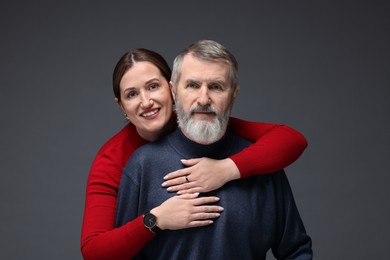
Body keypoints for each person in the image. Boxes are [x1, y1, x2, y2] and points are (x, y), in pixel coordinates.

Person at [81, 46, 308, 259]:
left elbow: (291, 139)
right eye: (131, 94)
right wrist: (156, 219)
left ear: (170, 89)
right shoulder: (124, 162)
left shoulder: (215, 123)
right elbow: (96, 251)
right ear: (121, 105)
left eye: (152, 86)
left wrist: (226, 169)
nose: (146, 101)